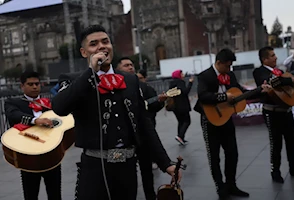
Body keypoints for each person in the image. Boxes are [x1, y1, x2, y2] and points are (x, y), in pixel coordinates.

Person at [51, 24, 180, 200]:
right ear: (84, 52)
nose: (101, 46)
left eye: (105, 41)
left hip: (127, 167)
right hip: (94, 168)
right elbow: (59, 107)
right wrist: (91, 73)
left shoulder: (129, 80)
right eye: (94, 44)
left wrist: (165, 163)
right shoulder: (74, 81)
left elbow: (144, 124)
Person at [195, 48, 270, 199]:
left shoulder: (230, 75)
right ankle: (220, 186)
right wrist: (223, 96)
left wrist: (259, 90)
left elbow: (240, 92)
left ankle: (231, 184)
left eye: (230, 66)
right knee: (214, 156)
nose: (229, 69)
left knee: (232, 153)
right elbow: (203, 96)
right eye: (227, 66)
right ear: (218, 63)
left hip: (227, 119)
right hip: (210, 120)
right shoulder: (205, 76)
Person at [4, 70, 61, 200]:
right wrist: (35, 120)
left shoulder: (49, 103)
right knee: (30, 194)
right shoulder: (13, 103)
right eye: (30, 84)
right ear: (22, 86)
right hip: (28, 155)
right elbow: (13, 115)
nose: (35, 87)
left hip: (52, 153)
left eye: (37, 83)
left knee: (55, 194)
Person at [116, 57, 166, 200]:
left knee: (146, 170)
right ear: (119, 69)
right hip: (125, 138)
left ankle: (150, 195)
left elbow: (154, 107)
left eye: (132, 65)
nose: (131, 67)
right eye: (126, 65)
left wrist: (160, 102)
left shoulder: (145, 87)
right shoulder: (114, 87)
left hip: (144, 135)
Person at [253, 46, 294, 183]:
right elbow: (273, 82)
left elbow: (283, 82)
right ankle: (276, 171)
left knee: (291, 140)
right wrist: (290, 81)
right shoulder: (259, 72)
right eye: (272, 55)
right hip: (271, 112)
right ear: (265, 59)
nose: (276, 58)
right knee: (276, 143)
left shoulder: (279, 71)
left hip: (286, 111)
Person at [169, 70, 193, 145]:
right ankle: (180, 136)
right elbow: (185, 92)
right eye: (181, 74)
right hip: (182, 106)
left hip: (175, 107)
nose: (183, 75)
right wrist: (190, 83)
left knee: (181, 122)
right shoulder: (180, 82)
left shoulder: (172, 83)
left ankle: (181, 138)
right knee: (187, 121)